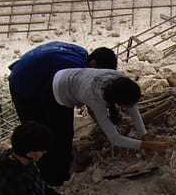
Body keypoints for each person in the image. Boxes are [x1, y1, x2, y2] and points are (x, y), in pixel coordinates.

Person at [7, 42, 117, 185]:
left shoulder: (81, 52)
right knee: (40, 133)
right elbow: (92, 105)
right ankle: (50, 177)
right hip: (24, 86)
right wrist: (106, 127)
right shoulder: (80, 71)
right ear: (94, 64)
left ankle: (56, 167)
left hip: (39, 79)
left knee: (59, 130)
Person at [49, 66, 169, 165]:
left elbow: (134, 111)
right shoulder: (96, 99)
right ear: (119, 103)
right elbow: (115, 139)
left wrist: (145, 138)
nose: (132, 107)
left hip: (75, 76)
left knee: (99, 116)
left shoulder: (119, 78)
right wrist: (150, 145)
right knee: (63, 134)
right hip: (60, 89)